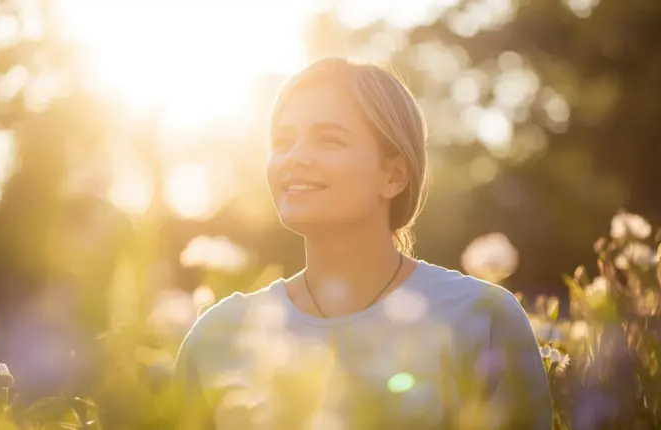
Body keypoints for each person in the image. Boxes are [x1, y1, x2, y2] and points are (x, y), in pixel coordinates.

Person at [172, 57, 552, 429]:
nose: (296, 157)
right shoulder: (217, 335)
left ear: (394, 175)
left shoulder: (484, 318)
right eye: (283, 141)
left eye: (330, 140)